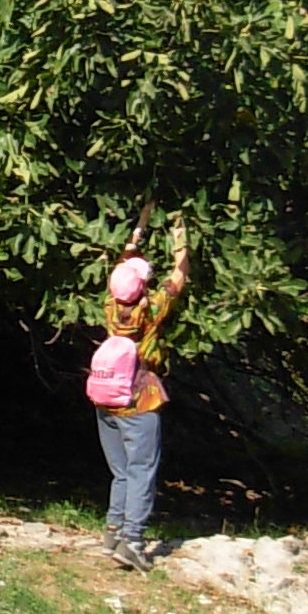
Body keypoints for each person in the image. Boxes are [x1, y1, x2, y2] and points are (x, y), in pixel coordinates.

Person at [91, 221, 189, 571]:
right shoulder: (152, 308)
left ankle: (112, 532)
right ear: (143, 287)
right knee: (141, 470)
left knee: (120, 472)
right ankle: (132, 541)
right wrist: (180, 238)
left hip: (106, 400)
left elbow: (121, 267)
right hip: (139, 400)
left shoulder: (109, 306)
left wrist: (135, 235)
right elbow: (180, 275)